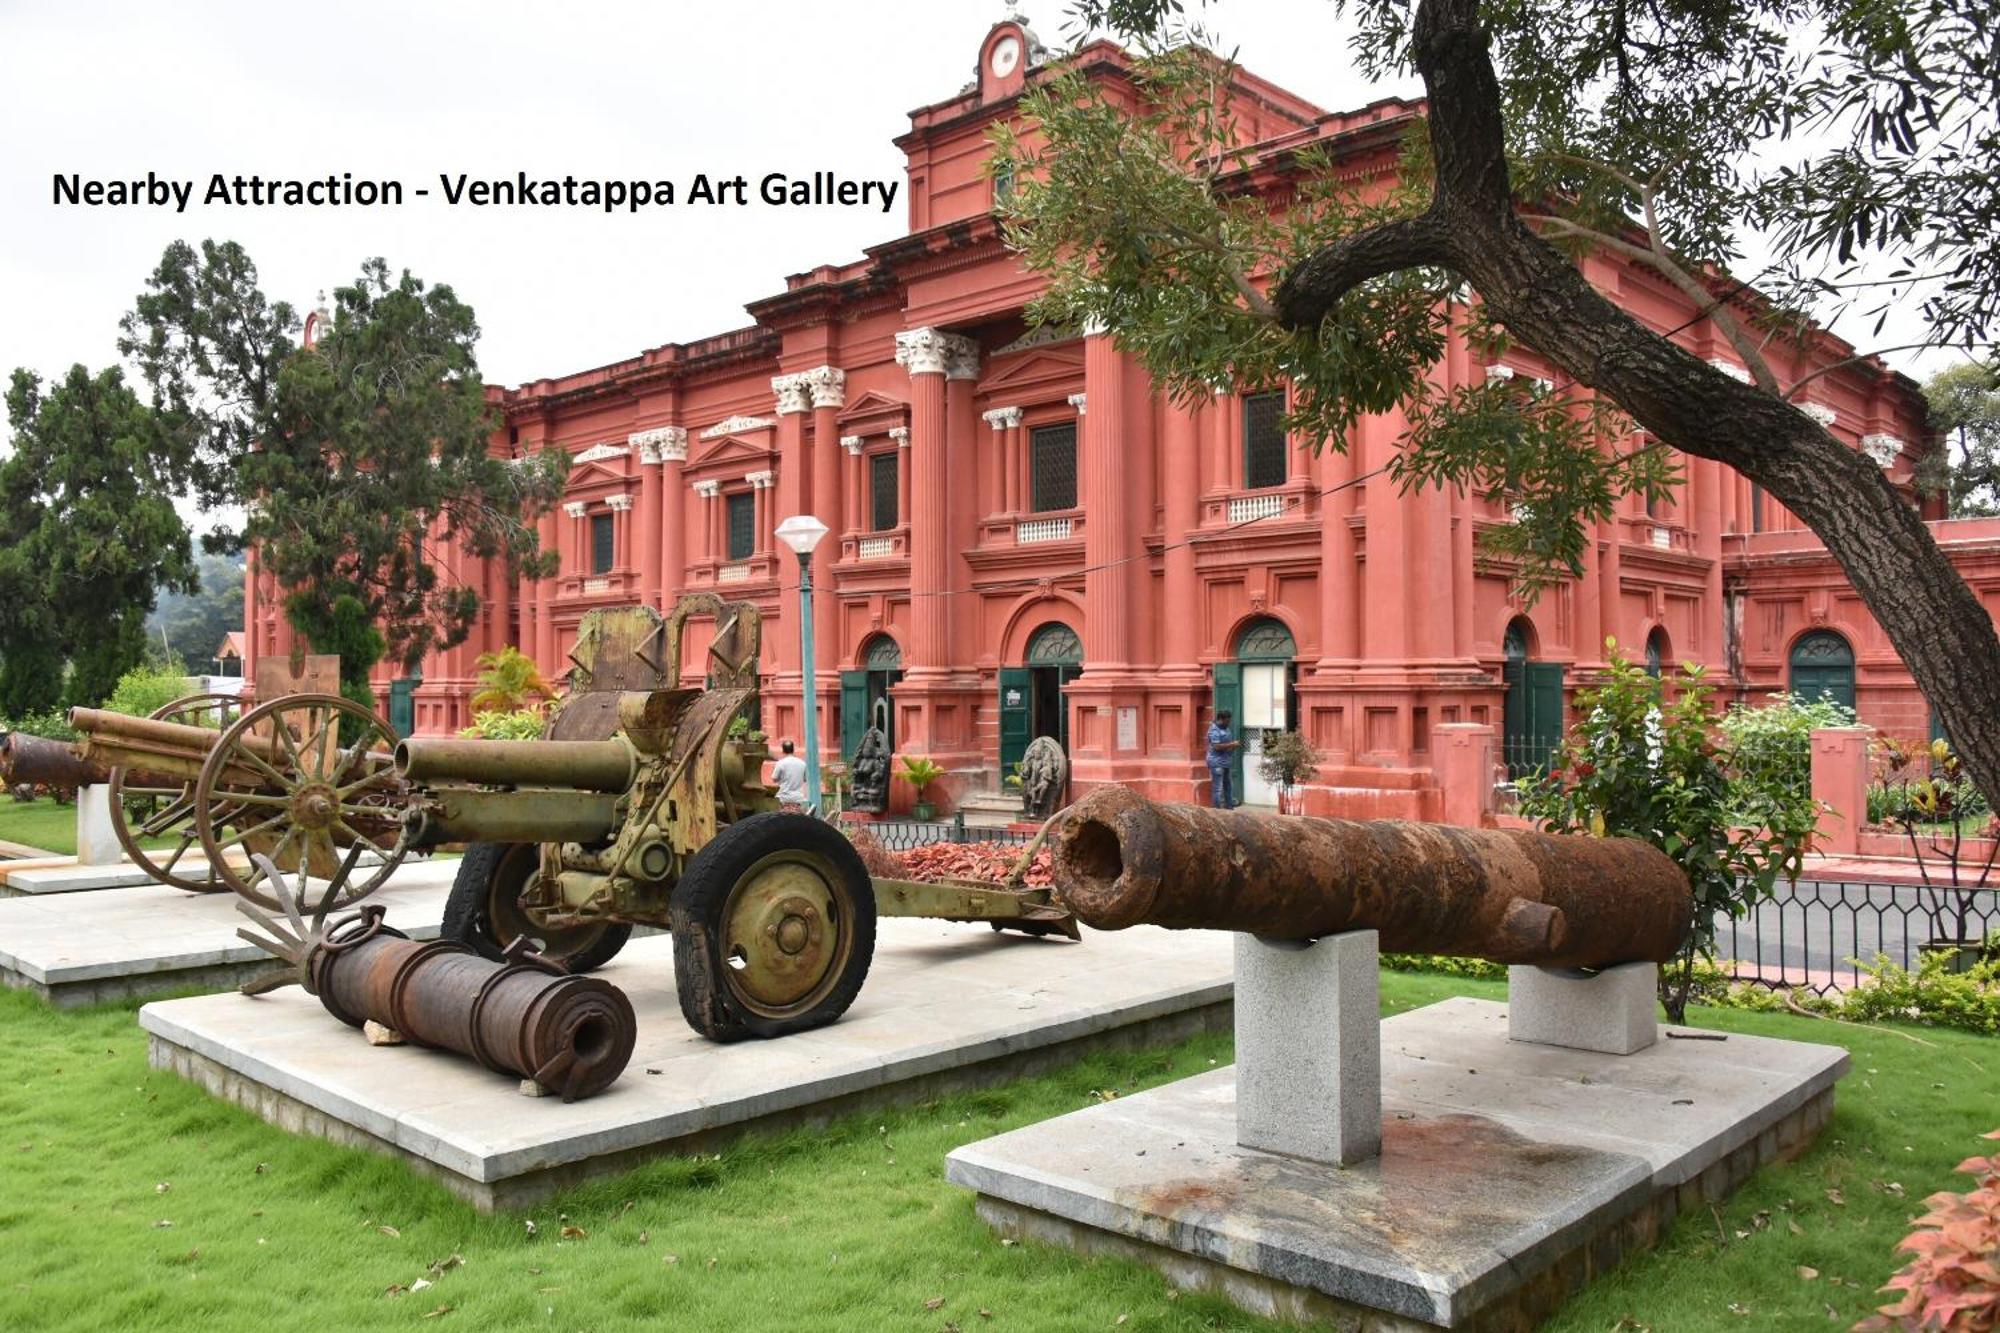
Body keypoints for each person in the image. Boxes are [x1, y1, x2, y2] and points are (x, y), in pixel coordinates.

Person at [1205, 709, 1240, 809]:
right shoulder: (1214, 730)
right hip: (1216, 762)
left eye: (1229, 721)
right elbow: (1216, 746)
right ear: (1220, 719)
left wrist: (1232, 746)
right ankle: (1217, 811)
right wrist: (1232, 744)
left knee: (1228, 785)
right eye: (1227, 721)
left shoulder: (1226, 728)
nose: (1228, 723)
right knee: (1218, 788)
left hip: (1226, 761)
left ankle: (1229, 808)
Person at [770, 739, 808, 811]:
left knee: (783, 820)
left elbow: (774, 779)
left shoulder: (780, 763)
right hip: (798, 798)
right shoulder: (802, 763)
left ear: (783, 751)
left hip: (783, 798)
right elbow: (805, 779)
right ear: (793, 750)